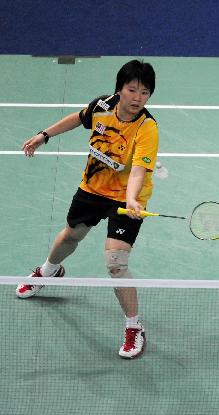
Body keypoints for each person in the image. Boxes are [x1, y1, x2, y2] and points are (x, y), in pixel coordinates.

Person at [17, 59, 159, 358]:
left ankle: (134, 327)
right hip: (92, 188)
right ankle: (48, 272)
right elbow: (78, 117)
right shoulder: (103, 106)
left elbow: (137, 171)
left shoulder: (147, 128)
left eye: (144, 92)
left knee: (116, 261)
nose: (137, 98)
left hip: (126, 198)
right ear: (119, 89)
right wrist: (45, 136)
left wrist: (132, 199)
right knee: (70, 236)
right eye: (132, 90)